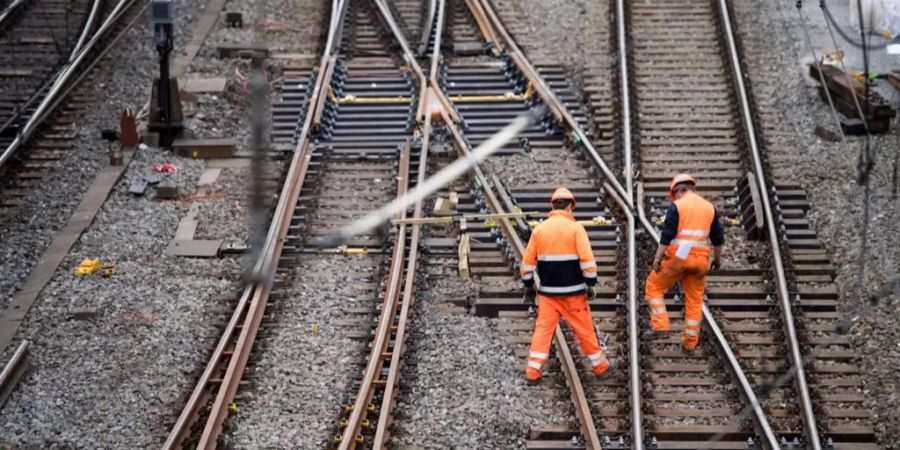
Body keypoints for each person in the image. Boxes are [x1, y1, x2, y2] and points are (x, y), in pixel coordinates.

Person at [520, 187, 617, 382]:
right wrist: (590, 284)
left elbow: (526, 265)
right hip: (574, 294)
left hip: (548, 295)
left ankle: (532, 372)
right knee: (584, 330)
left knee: (543, 331)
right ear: (570, 207)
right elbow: (588, 261)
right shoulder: (576, 229)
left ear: (553, 207)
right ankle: (601, 367)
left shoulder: (539, 230)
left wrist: (529, 285)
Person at [644, 174, 725, 350]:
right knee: (695, 300)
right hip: (701, 262)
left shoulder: (677, 206)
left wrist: (657, 258)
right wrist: (717, 260)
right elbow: (718, 239)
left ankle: (660, 326)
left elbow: (667, 235)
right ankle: (690, 343)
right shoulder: (709, 208)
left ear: (678, 191)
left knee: (654, 286)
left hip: (678, 259)